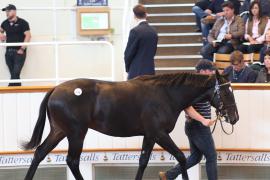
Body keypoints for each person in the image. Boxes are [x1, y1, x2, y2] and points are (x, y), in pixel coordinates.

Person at [159, 59, 218, 180]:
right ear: (202, 71)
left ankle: (168, 175)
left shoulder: (202, 85)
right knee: (211, 156)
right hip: (198, 126)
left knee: (195, 157)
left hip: (194, 126)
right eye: (210, 71)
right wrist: (203, 120)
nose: (212, 73)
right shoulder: (193, 85)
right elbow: (187, 107)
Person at [124, 4, 158, 80]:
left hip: (136, 72)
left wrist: (128, 68)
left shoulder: (135, 31)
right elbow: (154, 51)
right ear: (146, 15)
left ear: (134, 16)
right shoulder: (153, 31)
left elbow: (129, 53)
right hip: (150, 71)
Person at [0, 4, 31, 86]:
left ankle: (9, 89)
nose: (7, 13)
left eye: (9, 11)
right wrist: (1, 36)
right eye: (6, 11)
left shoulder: (23, 22)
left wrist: (22, 49)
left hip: (19, 52)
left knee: (15, 72)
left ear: (14, 11)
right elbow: (0, 31)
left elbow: (28, 35)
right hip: (8, 52)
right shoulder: (4, 23)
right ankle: (17, 91)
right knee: (14, 74)